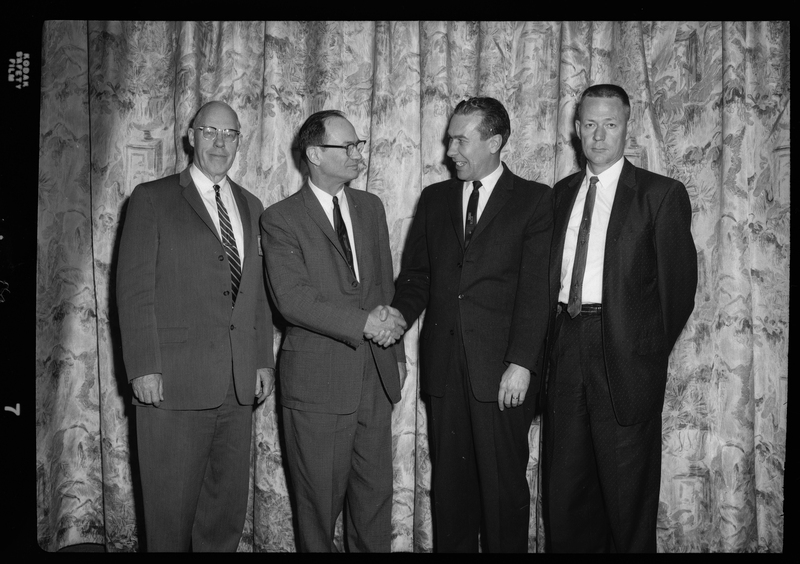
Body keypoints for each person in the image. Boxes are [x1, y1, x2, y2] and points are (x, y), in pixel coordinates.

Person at [390, 97, 553, 552]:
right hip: (445, 371)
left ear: (495, 141)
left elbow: (536, 290)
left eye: (461, 139)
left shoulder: (536, 200)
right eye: (449, 138)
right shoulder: (435, 198)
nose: (450, 150)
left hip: (502, 375)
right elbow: (417, 277)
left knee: (503, 496)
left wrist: (521, 362)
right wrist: (396, 317)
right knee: (450, 496)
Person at [542, 84, 697, 552]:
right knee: (565, 491)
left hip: (625, 358)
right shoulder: (560, 194)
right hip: (565, 347)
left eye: (610, 124)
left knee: (627, 499)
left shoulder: (660, 195)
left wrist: (641, 351)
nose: (599, 135)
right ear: (576, 129)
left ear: (628, 127)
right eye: (589, 124)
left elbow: (677, 295)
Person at [116, 101, 275, 552]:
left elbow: (256, 295)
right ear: (190, 136)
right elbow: (134, 291)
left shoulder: (251, 205)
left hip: (237, 385)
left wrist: (261, 359)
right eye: (211, 131)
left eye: (231, 134)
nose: (221, 143)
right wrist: (143, 366)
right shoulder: (152, 198)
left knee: (224, 517)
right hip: (173, 385)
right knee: (169, 519)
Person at [260, 110, 406, 552]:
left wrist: (395, 357)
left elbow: (383, 284)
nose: (358, 154)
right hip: (318, 384)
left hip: (375, 379)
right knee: (318, 509)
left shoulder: (370, 207)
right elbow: (293, 299)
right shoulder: (281, 218)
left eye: (358, 144)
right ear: (314, 155)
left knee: (374, 501)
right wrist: (364, 324)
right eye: (347, 146)